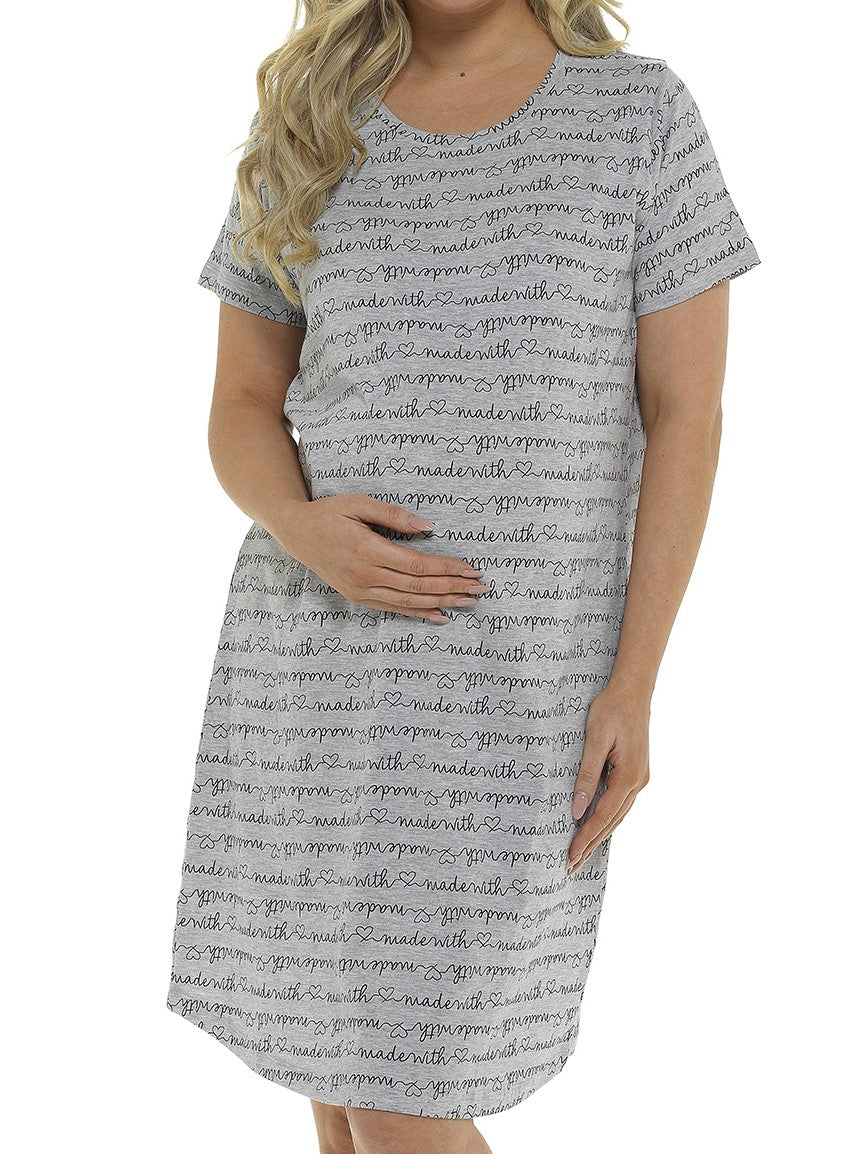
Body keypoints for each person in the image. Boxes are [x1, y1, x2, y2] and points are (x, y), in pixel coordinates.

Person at [165, 1, 761, 1151]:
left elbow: (686, 413)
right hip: (314, 680)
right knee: (347, 1093)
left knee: (402, 1092)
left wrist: (635, 680)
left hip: (517, 698)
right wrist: (298, 524)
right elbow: (240, 402)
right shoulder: (311, 121)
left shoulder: (638, 116)